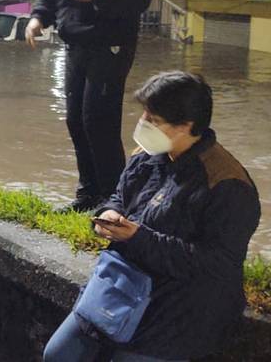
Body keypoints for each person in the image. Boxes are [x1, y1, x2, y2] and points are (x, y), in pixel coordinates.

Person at [43, 71, 260, 362]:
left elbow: (217, 265)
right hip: (121, 284)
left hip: (179, 308)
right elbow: (120, 196)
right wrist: (110, 213)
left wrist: (138, 237)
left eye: (154, 120)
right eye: (145, 114)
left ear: (186, 126)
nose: (143, 124)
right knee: (58, 355)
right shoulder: (147, 154)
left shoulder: (227, 184)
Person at [25, 0, 151, 211]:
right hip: (75, 46)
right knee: (75, 120)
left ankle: (114, 199)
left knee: (99, 120)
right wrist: (38, 18)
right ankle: (88, 193)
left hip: (111, 44)